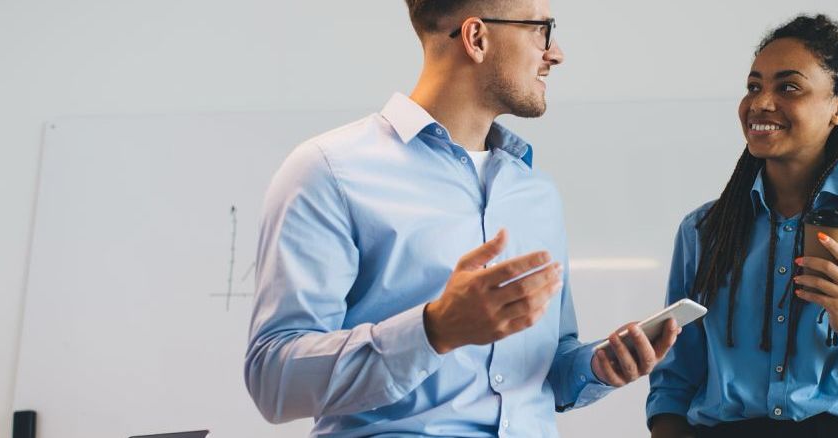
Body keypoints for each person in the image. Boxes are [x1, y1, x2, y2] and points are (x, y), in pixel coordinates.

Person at [243, 0, 679, 436]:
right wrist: (434, 330)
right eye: (541, 30)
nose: (556, 53)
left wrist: (597, 367)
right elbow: (273, 378)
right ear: (476, 38)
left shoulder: (535, 191)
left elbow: (548, 365)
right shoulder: (329, 172)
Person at [646, 14, 838, 438]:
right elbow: (674, 384)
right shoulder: (704, 230)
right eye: (754, 86)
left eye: (788, 87)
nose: (761, 103)